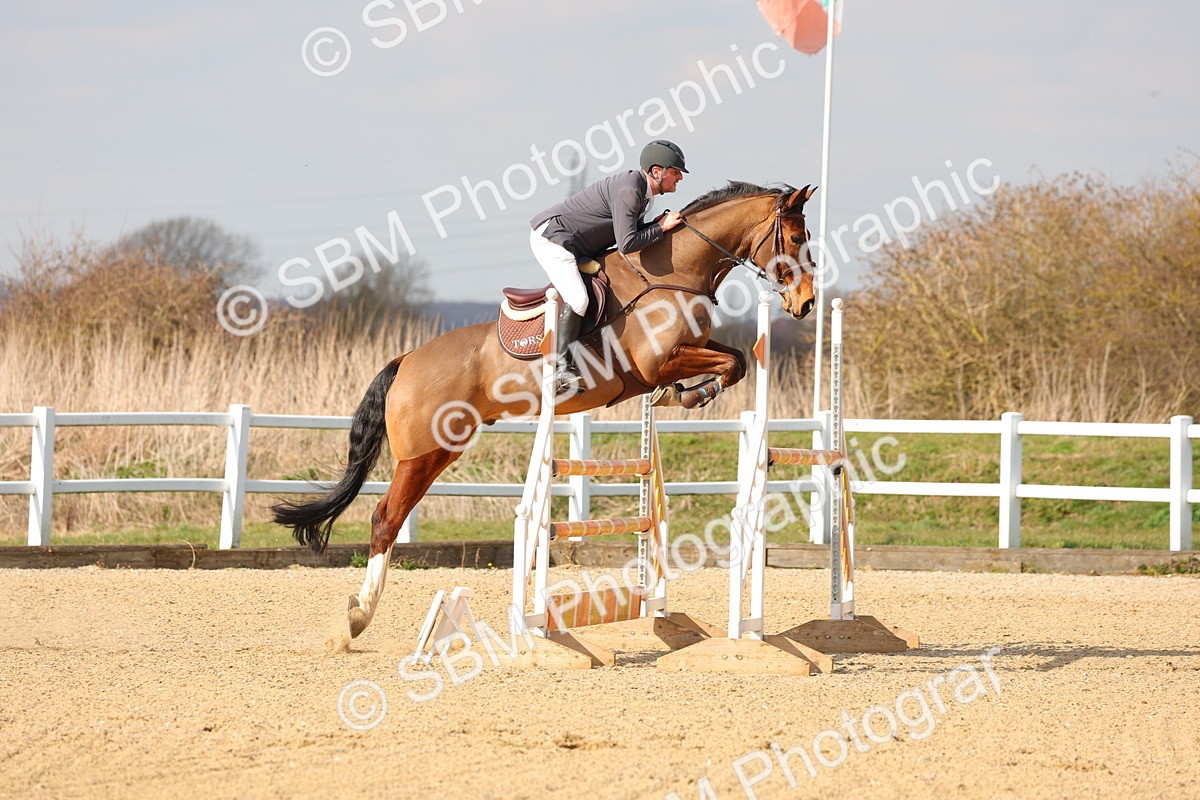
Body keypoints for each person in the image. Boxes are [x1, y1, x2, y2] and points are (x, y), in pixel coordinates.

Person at [529, 139, 688, 395]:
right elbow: (627, 244)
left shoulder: (643, 193)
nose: (680, 177)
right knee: (579, 300)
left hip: (580, 245)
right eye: (675, 172)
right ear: (657, 171)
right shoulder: (630, 191)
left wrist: (655, 225)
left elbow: (629, 232)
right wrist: (660, 228)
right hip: (555, 240)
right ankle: (559, 371)